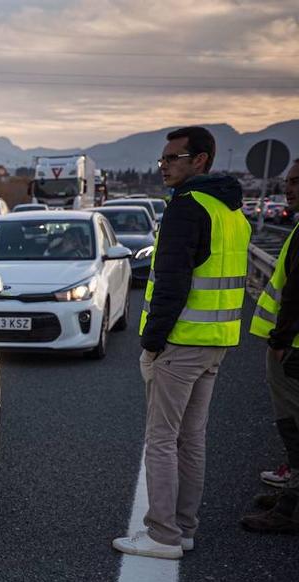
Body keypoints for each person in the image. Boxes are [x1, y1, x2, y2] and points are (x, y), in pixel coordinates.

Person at [112, 126, 250, 559]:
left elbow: (171, 282)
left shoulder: (187, 208)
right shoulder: (233, 212)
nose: (164, 166)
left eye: (173, 158)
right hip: (216, 342)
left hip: (181, 343)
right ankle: (184, 528)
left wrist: (152, 343)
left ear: (200, 160)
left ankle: (162, 535)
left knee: (162, 439)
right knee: (192, 439)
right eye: (162, 159)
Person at [242, 158, 299, 533]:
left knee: (294, 427)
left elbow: (295, 293)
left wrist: (279, 341)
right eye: (286, 181)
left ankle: (290, 511)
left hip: (293, 349)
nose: (287, 188)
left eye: (295, 181)